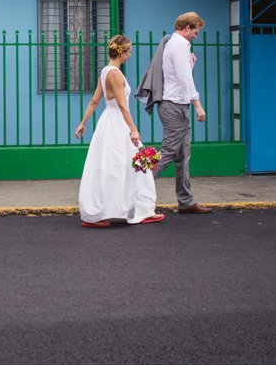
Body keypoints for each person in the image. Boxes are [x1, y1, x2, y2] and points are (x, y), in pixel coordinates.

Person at [75, 35, 165, 227]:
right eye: (129, 51)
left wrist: (83, 122)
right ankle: (140, 210)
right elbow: (123, 106)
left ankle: (109, 211)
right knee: (133, 166)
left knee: (110, 166)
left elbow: (94, 100)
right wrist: (133, 130)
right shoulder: (115, 74)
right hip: (117, 124)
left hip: (106, 123)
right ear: (121, 52)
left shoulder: (104, 72)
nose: (130, 55)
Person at [139, 12, 212, 214]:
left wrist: (191, 63)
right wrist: (197, 104)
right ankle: (134, 188)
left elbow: (176, 74)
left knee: (182, 155)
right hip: (175, 106)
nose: (196, 36)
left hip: (175, 104)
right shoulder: (179, 45)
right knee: (169, 152)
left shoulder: (175, 44)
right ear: (187, 27)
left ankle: (186, 201)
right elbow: (184, 78)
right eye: (195, 32)